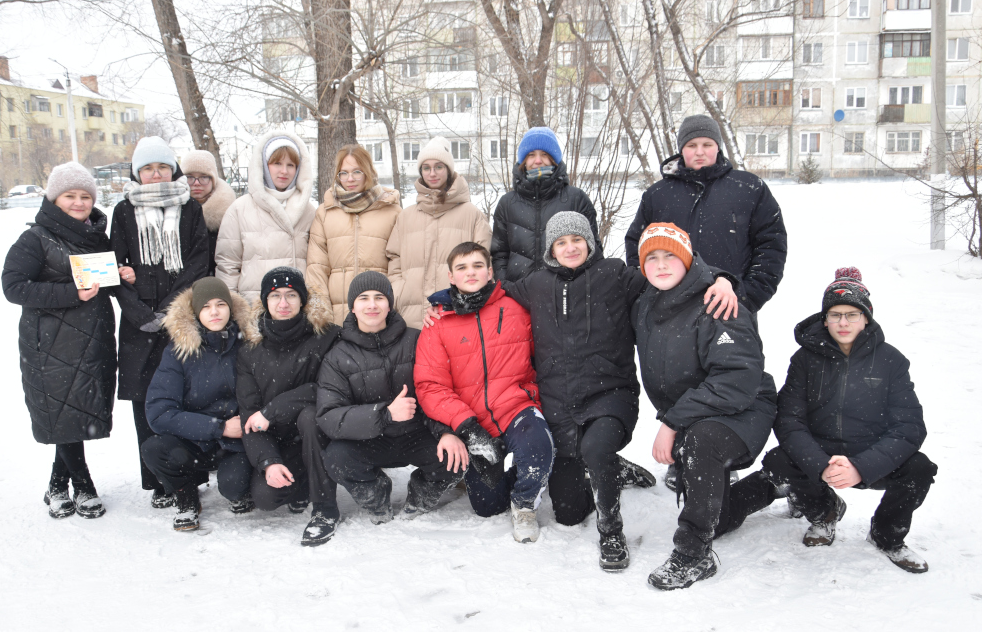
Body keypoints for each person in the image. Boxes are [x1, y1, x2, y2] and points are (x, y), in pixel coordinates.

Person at [499, 212, 735, 571]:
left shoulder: (615, 275)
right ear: (550, 250)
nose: (570, 247)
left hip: (609, 393)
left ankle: (611, 530)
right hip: (558, 399)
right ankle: (613, 469)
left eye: (577, 239)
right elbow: (489, 294)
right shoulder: (536, 284)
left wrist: (721, 279)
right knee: (568, 511)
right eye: (561, 242)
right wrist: (443, 304)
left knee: (596, 447)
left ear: (590, 242)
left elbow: (671, 273)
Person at [623, 114, 788, 492]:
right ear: (681, 150)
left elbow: (771, 246)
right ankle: (684, 448)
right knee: (675, 373)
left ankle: (718, 452)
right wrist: (654, 292)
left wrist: (743, 294)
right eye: (692, 146)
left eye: (706, 145)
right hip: (672, 308)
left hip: (727, 305)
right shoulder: (659, 194)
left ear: (718, 147)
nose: (699, 152)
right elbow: (637, 246)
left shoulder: (748, 188)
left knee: (727, 374)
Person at [733, 268, 936, 573]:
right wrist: (820, 464)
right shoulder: (805, 359)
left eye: (852, 314)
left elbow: (909, 426)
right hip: (821, 454)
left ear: (866, 317)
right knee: (780, 460)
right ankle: (824, 512)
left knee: (919, 469)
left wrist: (862, 467)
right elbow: (789, 419)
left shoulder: (890, 360)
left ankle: (887, 536)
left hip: (871, 456)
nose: (843, 322)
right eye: (835, 314)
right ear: (824, 318)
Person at [633, 223, 777, 590]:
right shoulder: (645, 301)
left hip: (742, 408)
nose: (662, 265)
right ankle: (779, 482)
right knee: (721, 516)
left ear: (687, 260)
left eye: (671, 256)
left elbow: (737, 379)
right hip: (696, 411)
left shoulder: (717, 302)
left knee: (702, 442)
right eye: (652, 257)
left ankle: (693, 555)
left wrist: (671, 422)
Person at [304, 272, 465, 544]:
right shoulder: (338, 357)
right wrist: (385, 414)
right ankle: (376, 495)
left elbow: (441, 390)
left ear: (389, 304)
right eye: (363, 298)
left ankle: (421, 494)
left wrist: (447, 432)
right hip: (370, 440)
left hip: (417, 433)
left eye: (380, 298)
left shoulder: (417, 340)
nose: (372, 305)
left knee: (456, 458)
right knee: (337, 459)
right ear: (352, 307)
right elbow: (329, 416)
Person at [414, 242, 555, 543]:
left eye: (478, 265)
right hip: (471, 418)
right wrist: (466, 426)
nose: (471, 273)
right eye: (462, 268)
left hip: (516, 405)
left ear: (490, 271)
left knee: (538, 447)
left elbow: (544, 354)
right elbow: (430, 385)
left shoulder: (517, 306)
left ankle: (526, 504)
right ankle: (509, 476)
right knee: (488, 507)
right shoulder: (438, 322)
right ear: (451, 276)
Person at [2, 162, 118, 519]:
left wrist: (118, 275)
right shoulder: (35, 239)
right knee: (63, 411)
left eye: (85, 196)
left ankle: (56, 484)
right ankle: (82, 485)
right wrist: (71, 294)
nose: (80, 202)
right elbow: (14, 287)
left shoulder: (95, 236)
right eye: (71, 195)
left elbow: (101, 282)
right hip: (51, 344)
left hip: (93, 339)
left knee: (74, 411)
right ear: (54, 198)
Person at [111, 136, 209, 508]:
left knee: (186, 397)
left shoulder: (190, 210)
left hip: (180, 318)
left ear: (173, 170)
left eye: (162, 167)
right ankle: (156, 480)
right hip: (138, 325)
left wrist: (169, 310)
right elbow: (115, 267)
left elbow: (200, 263)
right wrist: (138, 313)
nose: (155, 174)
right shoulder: (123, 212)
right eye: (148, 169)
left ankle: (190, 476)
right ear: (138, 173)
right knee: (144, 401)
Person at [141, 277, 254, 531]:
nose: (214, 312)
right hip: (195, 440)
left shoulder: (248, 343)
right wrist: (217, 427)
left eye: (220, 304)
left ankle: (239, 488)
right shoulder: (178, 351)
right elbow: (159, 413)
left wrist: (240, 426)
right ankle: (185, 493)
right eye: (206, 306)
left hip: (238, 442)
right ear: (195, 312)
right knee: (155, 449)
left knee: (234, 486)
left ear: (231, 308)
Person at [237, 267, 341, 516]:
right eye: (275, 296)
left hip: (318, 433)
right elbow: (249, 415)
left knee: (309, 417)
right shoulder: (250, 350)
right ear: (265, 301)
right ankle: (302, 483)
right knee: (265, 497)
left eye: (291, 295)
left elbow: (328, 388)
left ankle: (324, 506)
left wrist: (274, 409)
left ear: (302, 299)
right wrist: (269, 461)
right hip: (277, 440)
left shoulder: (326, 336)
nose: (283, 303)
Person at [386, 136, 491, 326]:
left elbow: (484, 263)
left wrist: (464, 302)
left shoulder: (472, 215)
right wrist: (399, 291)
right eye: (426, 168)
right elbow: (394, 259)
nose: (432, 173)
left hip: (458, 317)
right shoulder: (406, 217)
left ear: (449, 170)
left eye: (439, 167)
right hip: (411, 317)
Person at [490, 127, 601, 283]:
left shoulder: (576, 198)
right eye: (531, 155)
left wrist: (576, 287)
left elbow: (593, 250)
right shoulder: (507, 203)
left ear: (553, 159)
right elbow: (499, 254)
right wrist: (507, 287)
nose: (537, 161)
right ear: (523, 161)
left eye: (544, 154)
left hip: (565, 294)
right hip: (518, 296)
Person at [306, 144, 402, 325]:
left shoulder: (392, 211)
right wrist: (322, 314)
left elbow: (398, 265)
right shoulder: (325, 212)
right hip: (338, 315)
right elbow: (317, 267)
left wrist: (391, 304)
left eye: (357, 172)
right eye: (344, 173)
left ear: (368, 172)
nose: (350, 178)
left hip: (379, 314)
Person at [216, 132, 316, 301]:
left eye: (290, 165)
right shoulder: (239, 209)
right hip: (254, 306)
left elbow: (317, 265)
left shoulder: (308, 211)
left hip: (296, 308)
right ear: (263, 164)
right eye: (277, 163)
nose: (284, 171)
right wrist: (233, 308)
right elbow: (228, 266)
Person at [181, 150, 236, 276]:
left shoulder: (229, 212)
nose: (196, 183)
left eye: (204, 177)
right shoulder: (172, 213)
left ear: (213, 180)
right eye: (190, 177)